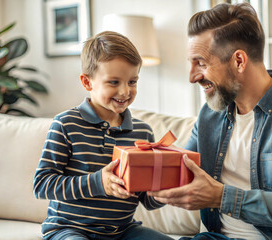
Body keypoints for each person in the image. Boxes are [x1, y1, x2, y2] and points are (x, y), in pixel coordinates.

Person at [149, 3, 272, 240]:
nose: (192, 76)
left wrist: (220, 197)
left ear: (239, 61)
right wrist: (127, 178)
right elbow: (176, 176)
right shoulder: (210, 115)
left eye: (200, 63)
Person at [33, 31, 173, 240]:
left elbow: (146, 199)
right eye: (114, 82)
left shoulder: (143, 132)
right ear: (87, 82)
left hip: (123, 231)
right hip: (69, 230)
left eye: (132, 82)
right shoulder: (65, 124)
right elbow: (42, 185)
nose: (125, 92)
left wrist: (165, 188)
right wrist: (99, 183)